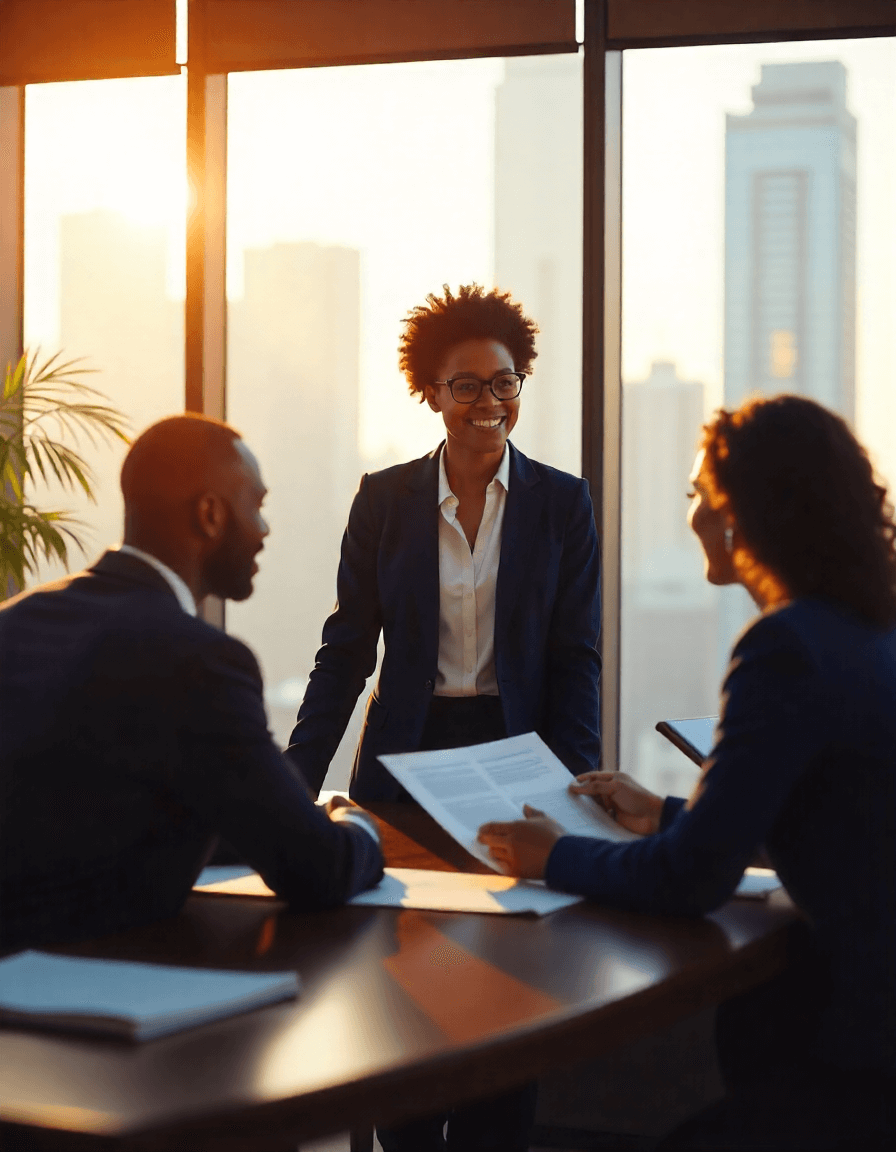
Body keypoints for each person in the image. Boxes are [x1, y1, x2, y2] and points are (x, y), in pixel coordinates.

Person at [478, 394, 896, 1149]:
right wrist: (666, 814)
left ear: (741, 513)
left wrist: (553, 855)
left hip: (856, 1054)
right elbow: (837, 819)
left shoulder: (785, 647)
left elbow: (693, 880)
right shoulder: (869, 631)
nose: (693, 515)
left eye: (698, 495)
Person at [287, 284, 602, 1151]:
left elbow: (577, 660)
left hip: (513, 760)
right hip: (405, 766)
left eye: (504, 383)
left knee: (509, 998)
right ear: (431, 392)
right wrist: (287, 789)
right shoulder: (384, 500)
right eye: (466, 385)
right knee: (404, 1001)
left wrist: (572, 792)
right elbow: (346, 652)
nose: (488, 403)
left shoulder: (561, 504)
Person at [0, 415, 383, 952]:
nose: (265, 530)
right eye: (258, 505)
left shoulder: (14, 622)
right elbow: (317, 868)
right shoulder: (202, 661)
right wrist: (360, 826)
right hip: (98, 995)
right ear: (210, 514)